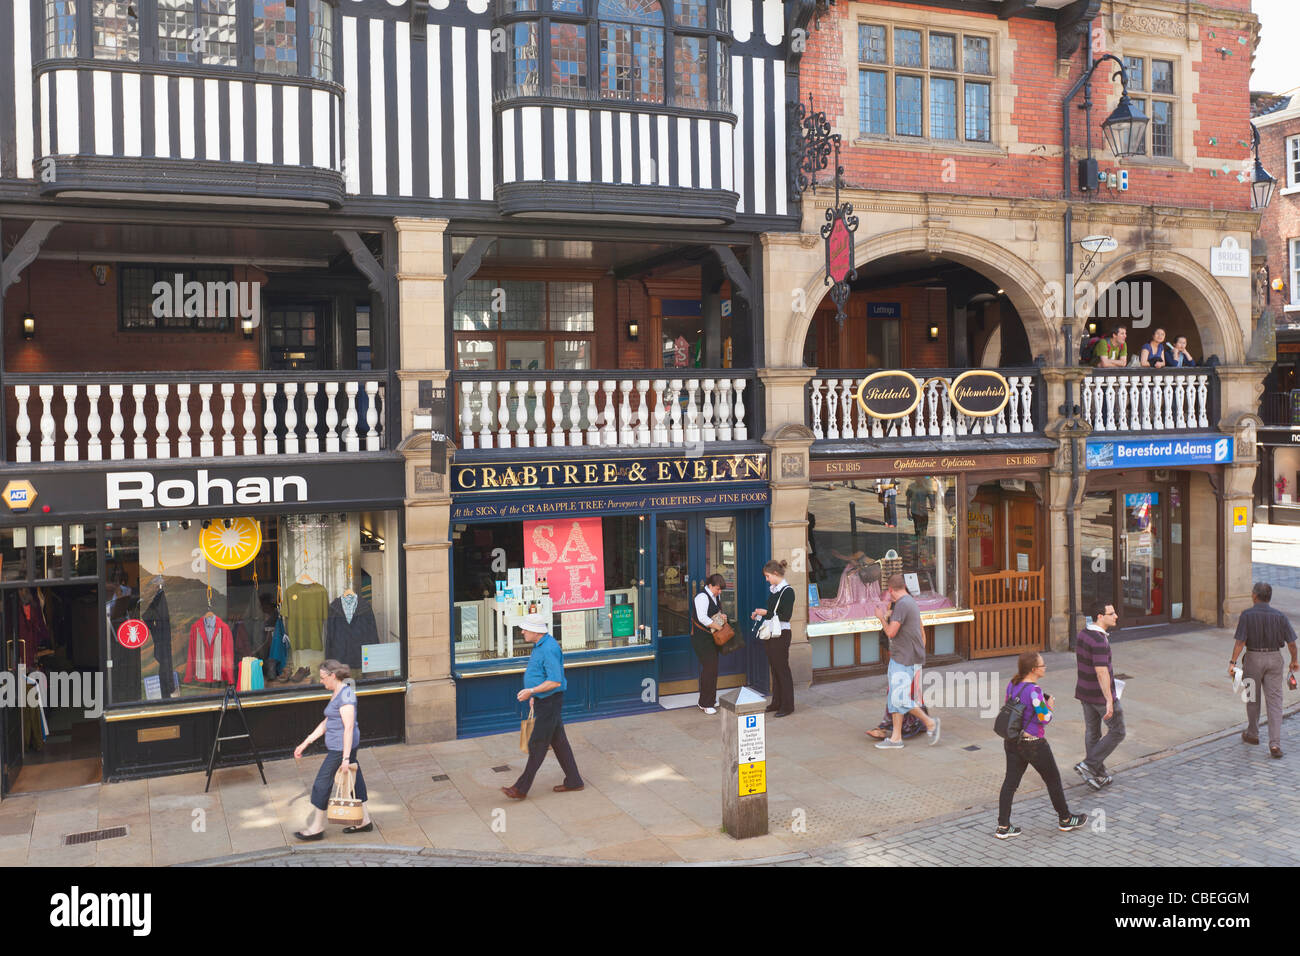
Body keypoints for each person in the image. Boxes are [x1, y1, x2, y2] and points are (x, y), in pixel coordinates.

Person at [995, 651, 1089, 838]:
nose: (1045, 667)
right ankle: (1065, 819)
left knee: (1010, 784)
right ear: (1033, 669)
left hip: (1013, 742)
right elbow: (1043, 718)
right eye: (1042, 665)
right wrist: (1050, 707)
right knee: (1053, 780)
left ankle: (1003, 826)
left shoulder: (1012, 685)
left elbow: (1011, 709)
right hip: (1034, 744)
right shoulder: (1035, 691)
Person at [502, 613, 584, 799]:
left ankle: (520, 789)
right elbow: (544, 676)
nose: (522, 631)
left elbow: (555, 681)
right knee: (559, 742)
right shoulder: (540, 645)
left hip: (550, 702)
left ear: (536, 631)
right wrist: (535, 694)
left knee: (537, 744)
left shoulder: (548, 648)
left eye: (525, 629)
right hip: (544, 700)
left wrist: (531, 691)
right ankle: (574, 781)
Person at [293, 659, 372, 840]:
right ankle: (364, 820)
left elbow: (349, 727)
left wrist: (344, 758)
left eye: (322, 678)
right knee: (355, 779)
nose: (321, 681)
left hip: (341, 748)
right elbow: (328, 722)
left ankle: (316, 827)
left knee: (322, 783)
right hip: (342, 747)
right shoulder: (337, 692)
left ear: (333, 676)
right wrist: (306, 743)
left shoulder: (345, 696)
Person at [1229, 582, 1299, 758]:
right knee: (1275, 702)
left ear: (1254, 595)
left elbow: (1240, 642)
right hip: (1275, 659)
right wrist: (1294, 661)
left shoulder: (1247, 615)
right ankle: (1275, 744)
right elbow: (1292, 643)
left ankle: (1253, 733)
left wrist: (1232, 661)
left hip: (1253, 658)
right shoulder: (1280, 616)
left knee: (1252, 696)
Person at [875, 573, 939, 749]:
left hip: (905, 659)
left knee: (900, 698)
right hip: (902, 657)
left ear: (890, 590)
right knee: (894, 699)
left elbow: (890, 633)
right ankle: (896, 738)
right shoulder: (909, 602)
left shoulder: (903, 605)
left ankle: (930, 722)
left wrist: (880, 617)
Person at [1073, 603, 1125, 789]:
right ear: (1099, 616)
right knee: (1118, 731)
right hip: (1100, 695)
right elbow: (1101, 672)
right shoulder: (1099, 641)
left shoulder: (1083, 634)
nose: (1116, 616)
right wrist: (1109, 700)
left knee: (1092, 732)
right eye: (1111, 613)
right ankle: (1089, 765)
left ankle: (1098, 774)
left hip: (1084, 692)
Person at [751, 559, 796, 717]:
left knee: (782, 669)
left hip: (781, 634)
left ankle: (788, 705)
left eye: (767, 576)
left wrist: (766, 613)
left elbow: (785, 616)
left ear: (776, 574)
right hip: (771, 633)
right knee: (775, 669)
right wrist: (759, 614)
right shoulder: (774, 590)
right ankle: (777, 702)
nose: (766, 579)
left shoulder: (787, 591)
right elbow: (771, 613)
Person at [691, 574, 728, 715]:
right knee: (709, 669)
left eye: (720, 590)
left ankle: (710, 700)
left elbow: (713, 614)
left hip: (711, 638)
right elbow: (702, 618)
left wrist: (721, 617)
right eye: (718, 589)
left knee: (713, 669)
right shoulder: (702, 597)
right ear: (710, 585)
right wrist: (719, 626)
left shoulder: (714, 596)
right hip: (702, 639)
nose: (719, 592)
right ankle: (705, 703)